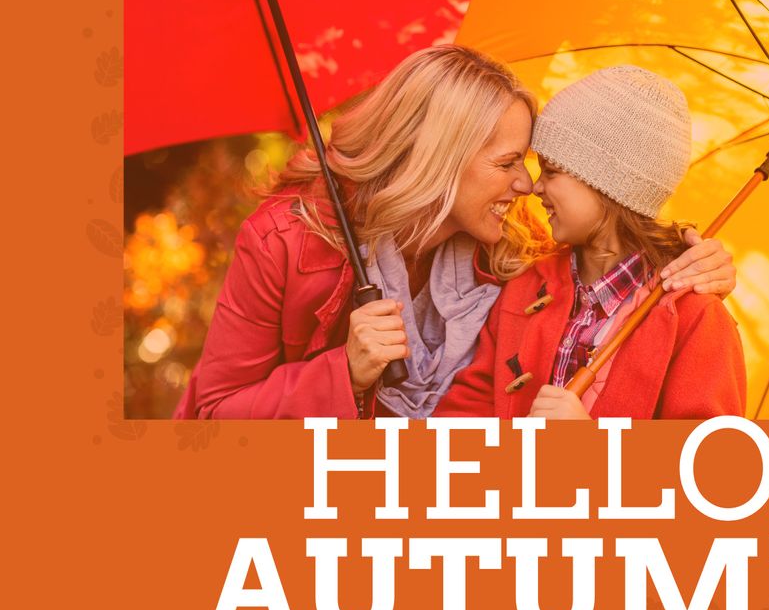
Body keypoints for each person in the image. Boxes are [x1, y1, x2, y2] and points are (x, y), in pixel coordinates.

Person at [174, 46, 735, 420]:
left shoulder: (510, 250)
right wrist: (342, 371)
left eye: (543, 168)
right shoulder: (286, 242)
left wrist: (690, 253)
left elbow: (615, 252)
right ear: (442, 160)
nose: (526, 185)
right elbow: (211, 416)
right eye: (510, 162)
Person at [435, 66, 746, 420]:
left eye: (552, 172)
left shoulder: (696, 319)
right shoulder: (527, 284)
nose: (535, 187)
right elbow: (469, 405)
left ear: (607, 186)